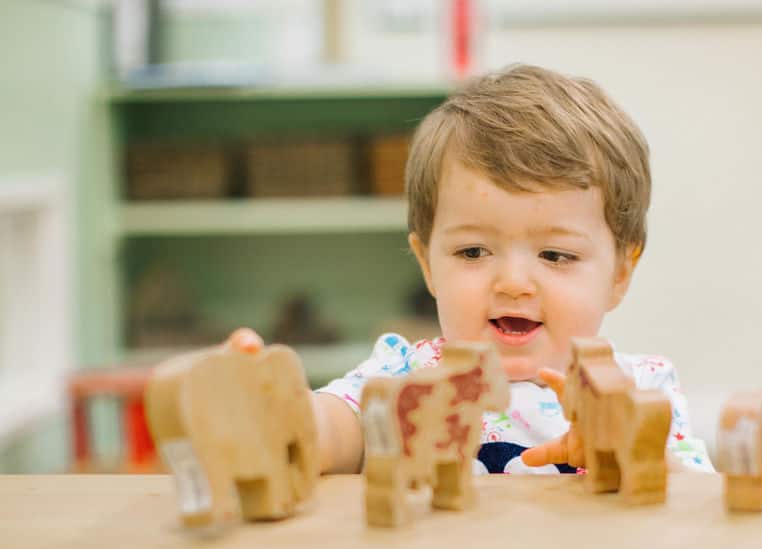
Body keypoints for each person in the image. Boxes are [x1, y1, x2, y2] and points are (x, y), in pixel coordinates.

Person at [232, 64, 713, 476]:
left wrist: (633, 454)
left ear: (619, 275)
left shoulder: (640, 391)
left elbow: (696, 506)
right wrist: (277, 416)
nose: (513, 283)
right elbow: (335, 429)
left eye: (555, 256)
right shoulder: (406, 375)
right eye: (473, 252)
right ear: (428, 264)